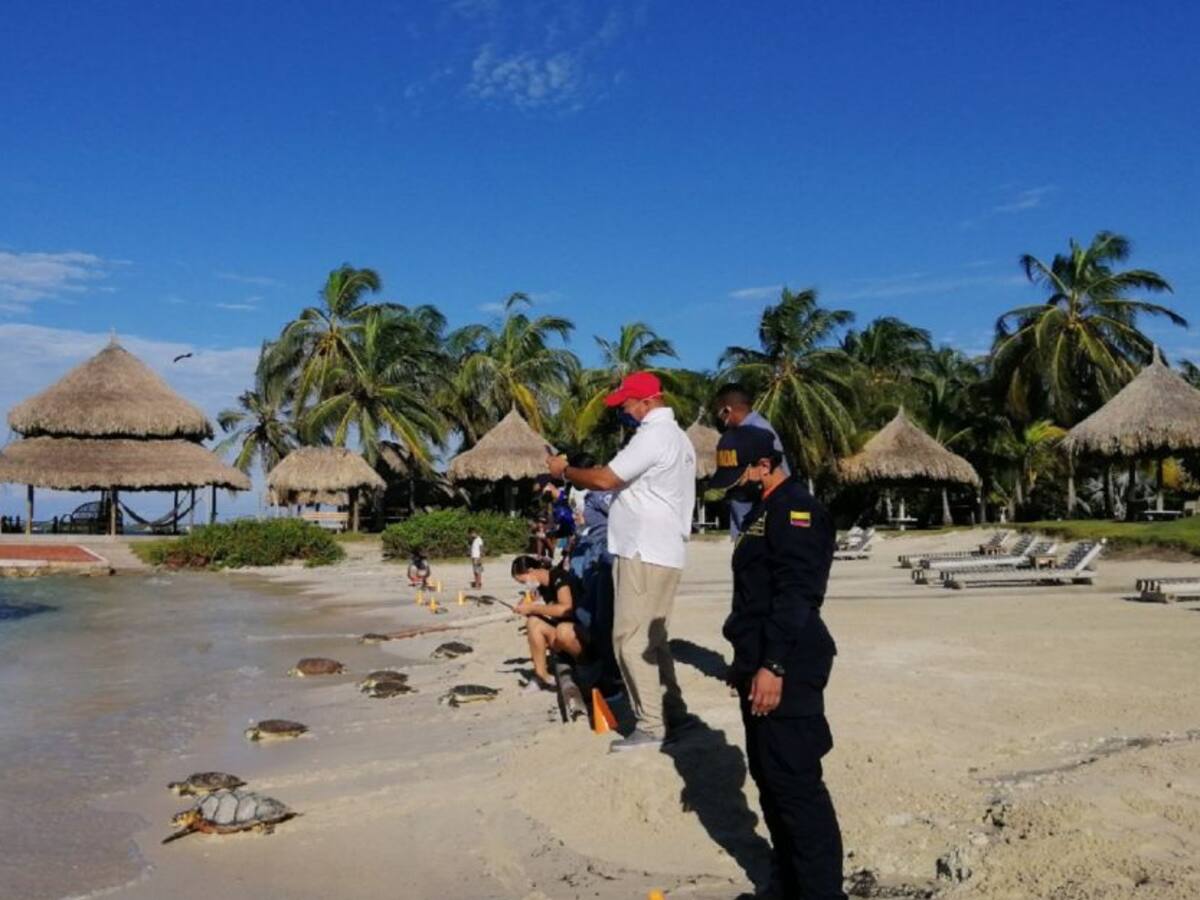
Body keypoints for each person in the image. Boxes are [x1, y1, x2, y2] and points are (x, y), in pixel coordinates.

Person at [709, 424, 846, 900]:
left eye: (740, 478)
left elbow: (796, 594)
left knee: (796, 786)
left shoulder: (797, 510)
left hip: (791, 662)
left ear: (765, 465)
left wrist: (774, 666)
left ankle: (822, 894)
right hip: (761, 661)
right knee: (770, 783)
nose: (735, 489)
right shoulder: (764, 510)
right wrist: (745, 663)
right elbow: (755, 596)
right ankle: (787, 886)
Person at [547, 371, 695, 752]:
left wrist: (565, 471)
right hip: (664, 550)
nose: (623, 412)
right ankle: (674, 714)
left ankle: (651, 724)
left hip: (643, 550)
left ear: (646, 402)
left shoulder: (653, 435)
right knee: (654, 640)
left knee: (629, 640)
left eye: (626, 405)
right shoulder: (679, 437)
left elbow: (604, 480)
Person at [712, 383, 789, 539]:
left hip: (758, 522)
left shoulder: (759, 432)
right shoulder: (739, 433)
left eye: (719, 413)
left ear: (727, 410)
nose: (719, 418)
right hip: (746, 519)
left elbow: (775, 476)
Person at [511, 554, 588, 693]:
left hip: (578, 633)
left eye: (524, 581)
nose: (526, 585)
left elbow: (566, 609)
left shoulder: (558, 577)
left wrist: (532, 608)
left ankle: (585, 668)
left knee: (562, 630)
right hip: (562, 634)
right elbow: (532, 604)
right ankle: (541, 676)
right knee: (533, 622)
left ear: (531, 571)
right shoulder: (541, 587)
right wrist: (525, 606)